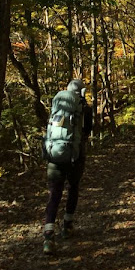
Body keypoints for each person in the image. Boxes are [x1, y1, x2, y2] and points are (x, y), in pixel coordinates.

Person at [43, 78, 93, 255]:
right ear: (81, 92)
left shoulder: (57, 105)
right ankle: (67, 226)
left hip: (54, 154)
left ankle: (48, 236)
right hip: (75, 155)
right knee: (73, 187)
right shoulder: (84, 108)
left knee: (54, 193)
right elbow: (87, 131)